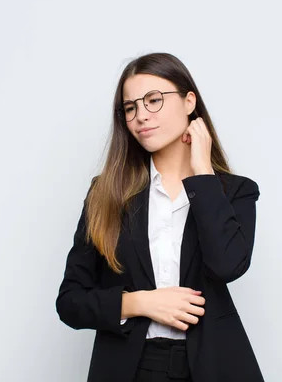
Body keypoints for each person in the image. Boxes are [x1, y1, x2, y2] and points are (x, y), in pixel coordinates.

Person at [56, 52, 265, 382]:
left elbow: (227, 266)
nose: (141, 115)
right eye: (131, 107)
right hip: (131, 370)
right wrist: (140, 303)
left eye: (154, 100)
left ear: (188, 101)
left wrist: (203, 175)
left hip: (212, 368)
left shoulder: (234, 191)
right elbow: (70, 301)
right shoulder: (106, 193)